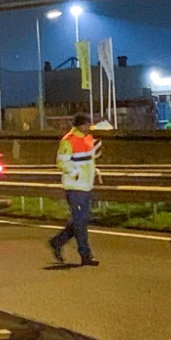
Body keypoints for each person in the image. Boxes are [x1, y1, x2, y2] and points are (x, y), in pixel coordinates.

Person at [48, 112, 101, 266]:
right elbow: (61, 163)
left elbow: (88, 159)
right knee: (81, 221)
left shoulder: (89, 138)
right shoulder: (68, 141)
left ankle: (57, 242)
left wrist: (94, 171)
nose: (89, 127)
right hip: (74, 185)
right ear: (79, 125)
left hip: (86, 184)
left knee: (80, 220)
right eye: (86, 124)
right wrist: (75, 173)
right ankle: (85, 255)